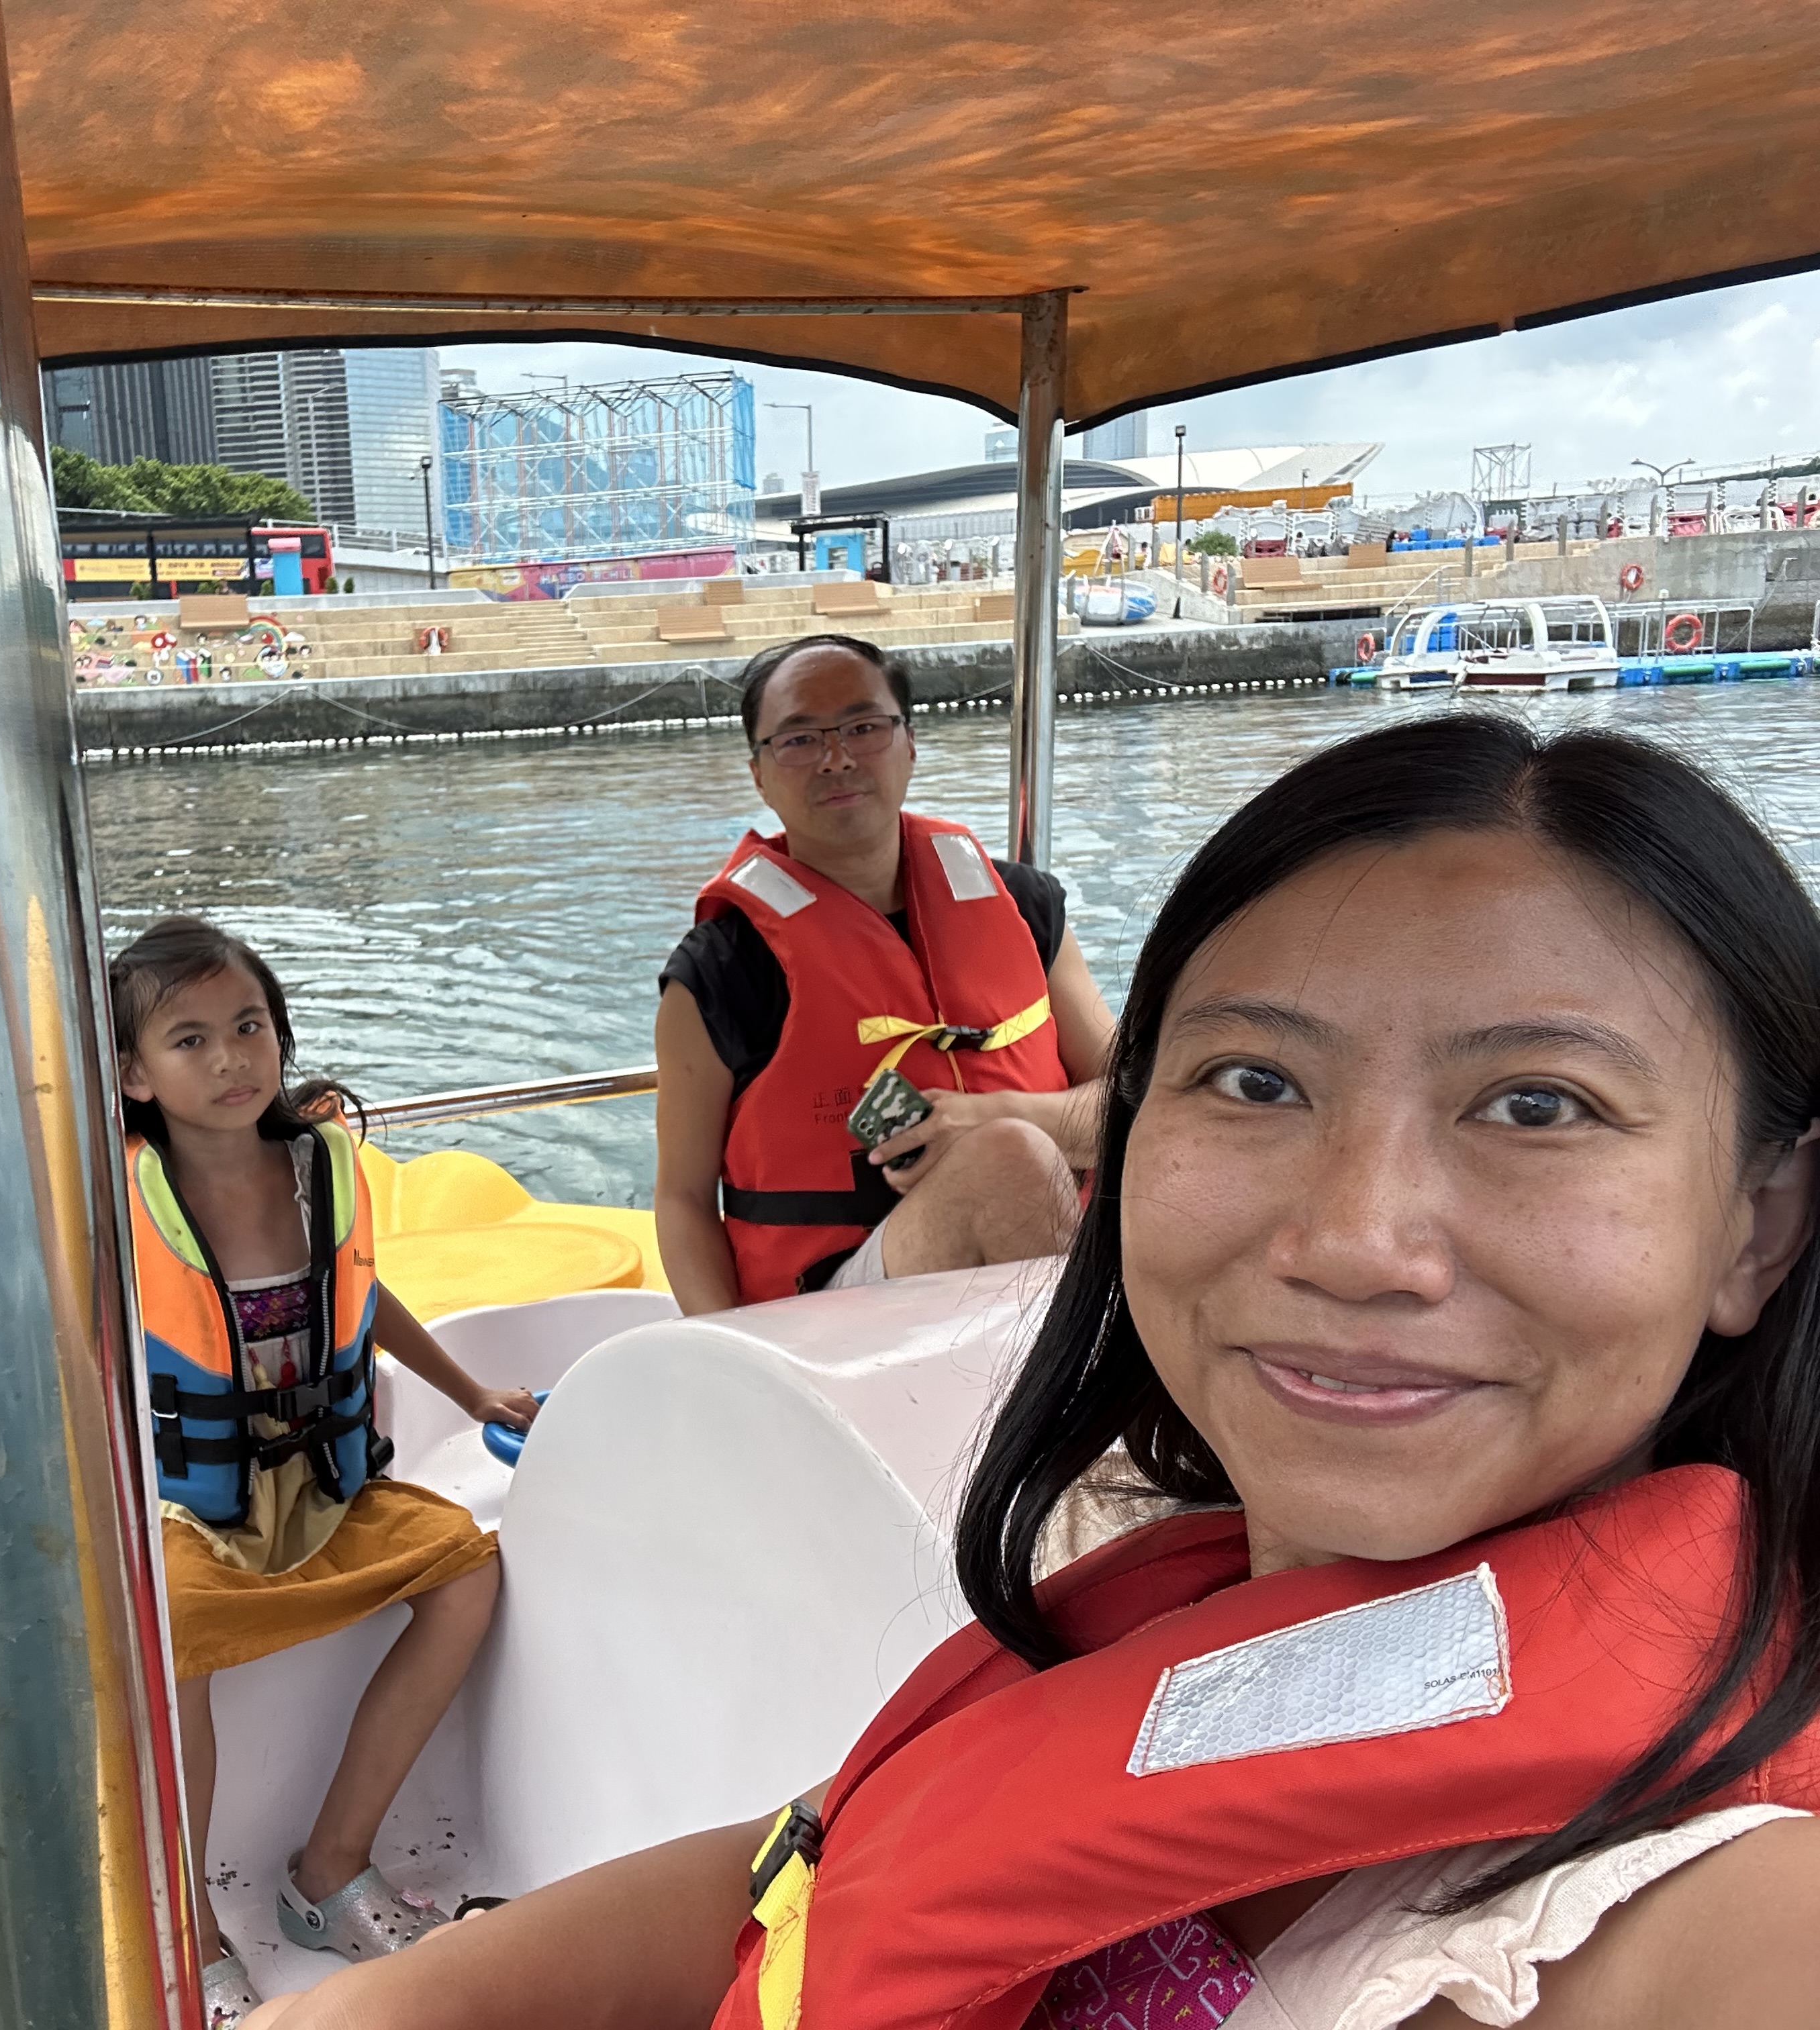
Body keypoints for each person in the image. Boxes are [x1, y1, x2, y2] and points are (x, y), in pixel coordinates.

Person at [248, 715, 1820, 2028]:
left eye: (1539, 1107)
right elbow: (814, 1872)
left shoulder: (1734, 1921)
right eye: (1254, 1081)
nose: (1354, 1240)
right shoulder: (1166, 1616)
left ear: (1761, 1225)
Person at [109, 916, 540, 2030]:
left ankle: (330, 1866)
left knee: (465, 1570)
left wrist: (470, 1393)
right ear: (134, 1074)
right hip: (196, 1515)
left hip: (324, 1490)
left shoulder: (315, 1171)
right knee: (168, 1634)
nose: (230, 1059)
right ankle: (189, 1931)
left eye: (248, 1025)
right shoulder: (119, 1208)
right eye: (190, 1039)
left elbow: (362, 1293)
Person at [655, 635, 1116, 1312]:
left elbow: (1129, 1104)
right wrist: (733, 1359)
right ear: (759, 774)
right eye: (799, 740)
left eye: (864, 728)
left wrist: (993, 1115)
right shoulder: (720, 972)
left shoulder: (1025, 908)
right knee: (1009, 1160)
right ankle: (1085, 1379)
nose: (837, 758)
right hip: (834, 1310)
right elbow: (683, 1199)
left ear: (909, 744)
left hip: (1048, 1253)